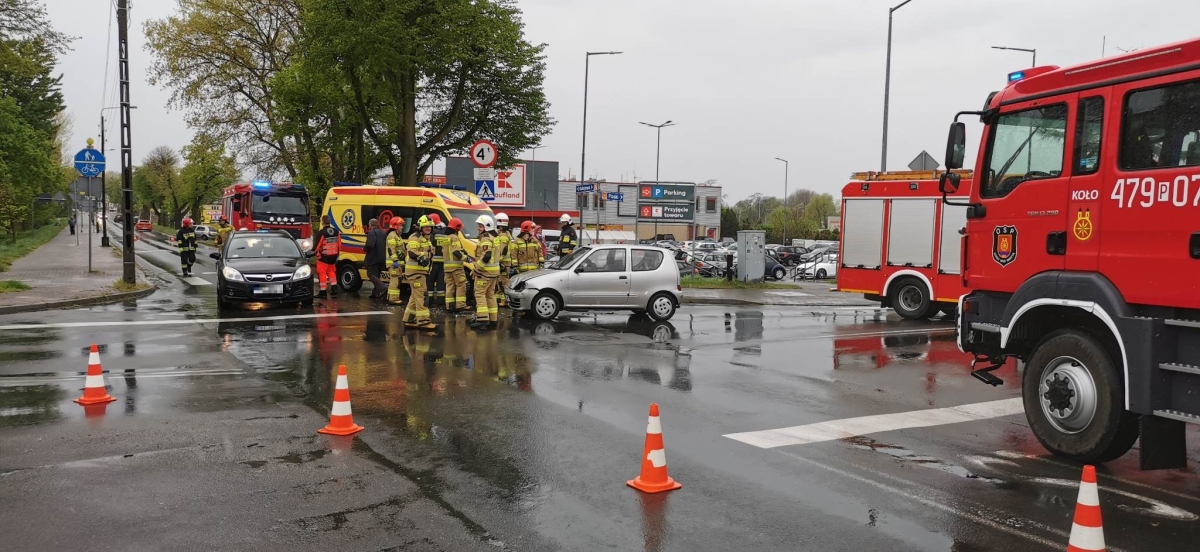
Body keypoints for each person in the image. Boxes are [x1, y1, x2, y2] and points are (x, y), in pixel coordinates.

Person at [403, 216, 436, 330]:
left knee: (415, 296)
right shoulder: (415, 237)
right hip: (415, 272)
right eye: (425, 226)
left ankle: (409, 319)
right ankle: (423, 321)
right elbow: (412, 252)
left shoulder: (426, 238)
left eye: (430, 226)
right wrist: (421, 257)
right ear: (421, 227)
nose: (428, 228)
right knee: (422, 295)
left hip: (420, 272)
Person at [471, 215, 501, 331]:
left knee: (479, 294)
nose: (478, 228)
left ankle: (482, 319)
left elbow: (487, 255)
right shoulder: (495, 236)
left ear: (487, 226)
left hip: (485, 272)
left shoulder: (486, 238)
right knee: (490, 295)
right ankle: (493, 320)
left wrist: (477, 269)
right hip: (493, 272)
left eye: (480, 226)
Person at [443, 217, 469, 313]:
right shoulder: (454, 237)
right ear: (456, 227)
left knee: (450, 286)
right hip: (456, 267)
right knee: (461, 285)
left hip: (447, 267)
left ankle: (449, 306)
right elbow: (455, 251)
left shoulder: (446, 238)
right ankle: (460, 305)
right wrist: (465, 258)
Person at [314, 215, 341, 299]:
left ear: (322, 222)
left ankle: (323, 292)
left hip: (323, 257)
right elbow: (339, 244)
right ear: (329, 222)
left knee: (322, 273)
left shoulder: (321, 233)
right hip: (333, 256)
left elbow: (317, 245)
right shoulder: (336, 232)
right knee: (331, 272)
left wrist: (313, 252)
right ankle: (334, 288)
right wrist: (337, 255)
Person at [363, 218, 388, 299]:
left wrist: (365, 248)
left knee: (370, 274)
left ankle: (383, 287)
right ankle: (375, 293)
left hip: (373, 257)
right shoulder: (383, 233)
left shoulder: (371, 232)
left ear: (370, 225)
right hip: (381, 257)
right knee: (376, 275)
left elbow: (370, 244)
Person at [385, 217, 406, 305]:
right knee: (395, 281)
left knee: (395, 280)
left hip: (397, 263)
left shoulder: (397, 235)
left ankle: (390, 297)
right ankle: (393, 299)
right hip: (394, 263)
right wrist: (395, 260)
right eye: (401, 225)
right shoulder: (392, 235)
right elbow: (391, 250)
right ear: (395, 225)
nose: (402, 227)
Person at [428, 213, 448, 308]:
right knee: (441, 282)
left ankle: (430, 301)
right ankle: (441, 301)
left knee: (430, 281)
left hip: (433, 262)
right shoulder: (445, 231)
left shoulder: (432, 232)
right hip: (443, 261)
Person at [493, 212, 512, 307]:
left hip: (504, 263)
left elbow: (503, 251)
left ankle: (505, 300)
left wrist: (498, 260)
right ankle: (499, 298)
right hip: (503, 262)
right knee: (499, 281)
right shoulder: (504, 234)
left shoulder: (503, 236)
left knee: (504, 282)